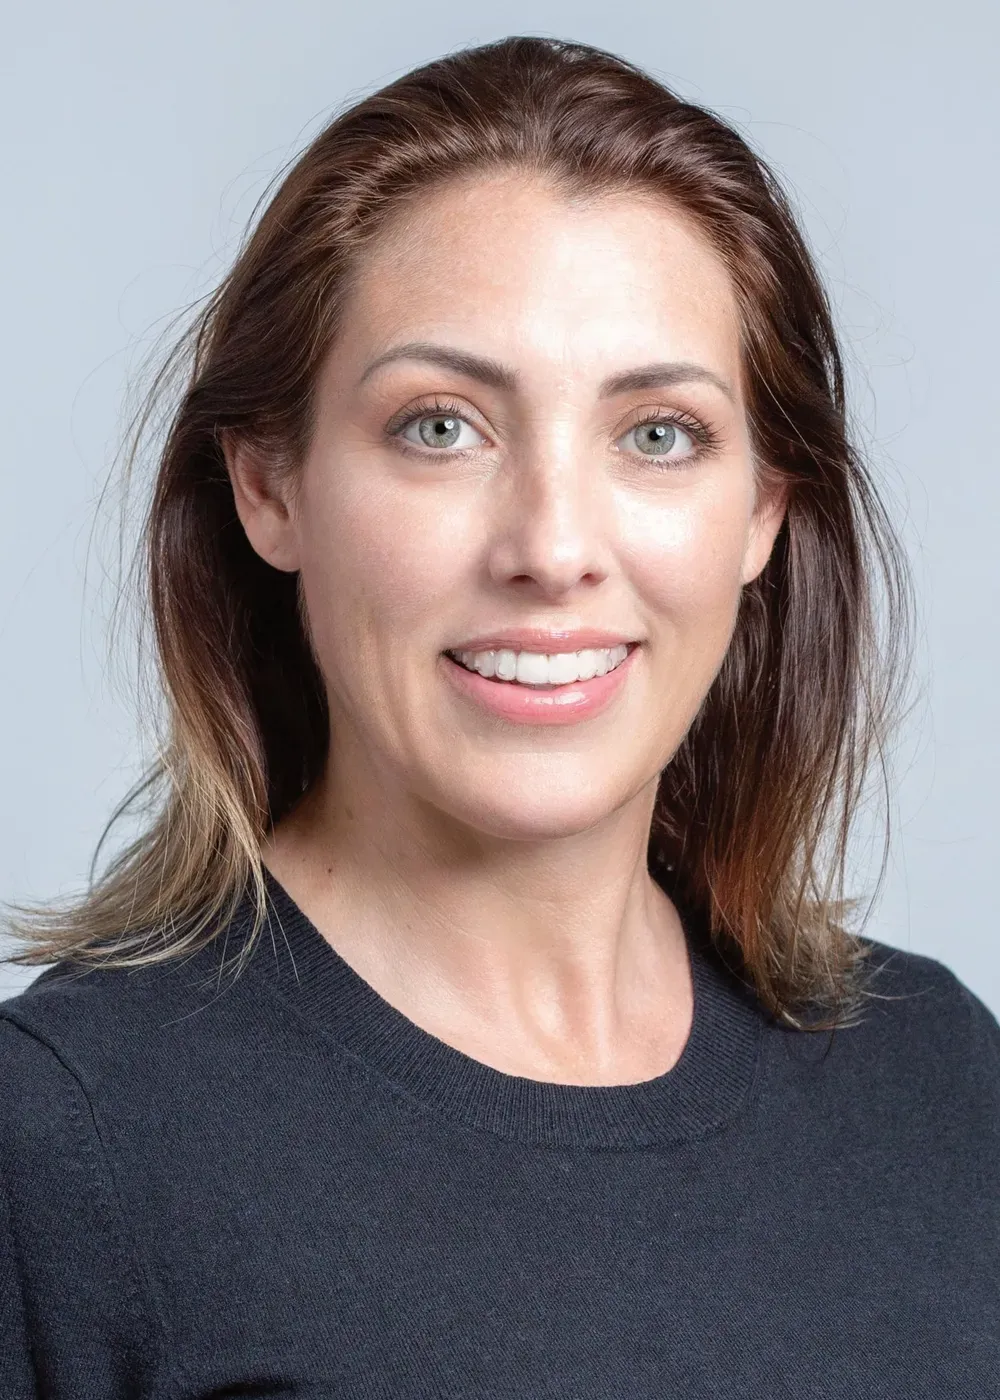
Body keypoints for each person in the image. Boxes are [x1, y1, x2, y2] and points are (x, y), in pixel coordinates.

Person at [1, 33, 997, 1398]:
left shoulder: (937, 1087)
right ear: (270, 488)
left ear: (762, 512)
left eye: (658, 434)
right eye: (441, 426)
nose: (552, 545)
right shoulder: (64, 1145)